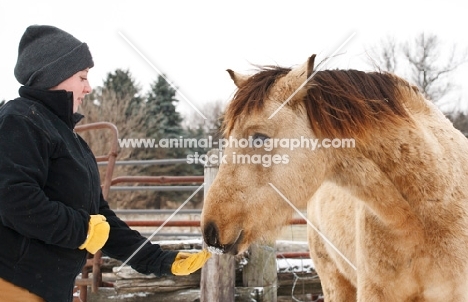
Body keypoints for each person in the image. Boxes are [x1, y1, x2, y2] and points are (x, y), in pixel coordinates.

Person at [0, 25, 211, 302]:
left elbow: (100, 219)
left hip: (49, 289)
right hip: (13, 285)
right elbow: (13, 200)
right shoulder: (20, 120)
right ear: (54, 76)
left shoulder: (70, 140)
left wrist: (160, 260)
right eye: (82, 77)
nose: (88, 87)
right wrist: (82, 230)